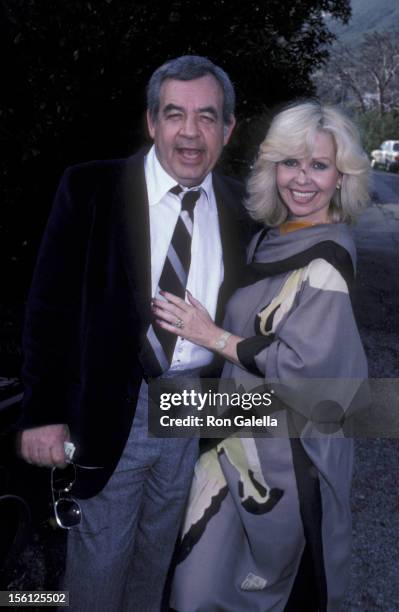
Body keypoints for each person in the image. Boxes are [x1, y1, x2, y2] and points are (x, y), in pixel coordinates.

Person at [18, 55, 251, 611]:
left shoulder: (244, 208)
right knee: (97, 571)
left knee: (158, 565)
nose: (190, 133)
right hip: (108, 408)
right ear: (152, 122)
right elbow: (48, 307)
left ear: (228, 127)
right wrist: (42, 412)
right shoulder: (91, 188)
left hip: (193, 410)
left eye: (207, 116)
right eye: (175, 115)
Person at [153, 100, 370, 611]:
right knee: (196, 587)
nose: (302, 179)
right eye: (290, 163)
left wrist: (211, 336)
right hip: (234, 433)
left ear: (342, 177)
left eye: (319, 165)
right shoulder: (271, 239)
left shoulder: (330, 258)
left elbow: (308, 373)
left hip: (284, 461)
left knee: (248, 590)